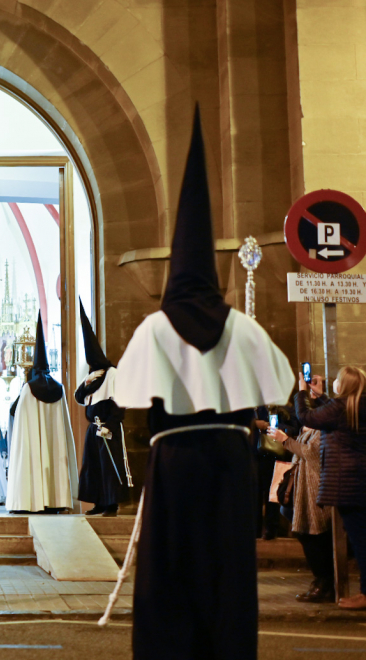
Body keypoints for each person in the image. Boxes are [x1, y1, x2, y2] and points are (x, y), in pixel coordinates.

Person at [114, 108, 294, 659]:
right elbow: (280, 386)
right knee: (227, 571)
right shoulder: (242, 327)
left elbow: (129, 400)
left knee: (170, 573)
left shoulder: (153, 328)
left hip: (174, 463)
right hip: (228, 460)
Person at [294, 365, 366, 610]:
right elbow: (336, 412)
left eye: (336, 380)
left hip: (347, 483)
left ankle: (365, 595)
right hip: (360, 481)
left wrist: (302, 392)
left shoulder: (340, 408)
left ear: (343, 385)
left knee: (360, 541)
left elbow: (307, 417)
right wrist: (321, 396)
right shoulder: (355, 406)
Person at [6, 314, 79, 514]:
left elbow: (19, 423)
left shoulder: (28, 389)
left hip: (33, 441)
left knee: (30, 455)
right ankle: (55, 500)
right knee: (54, 453)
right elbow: (63, 425)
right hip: (53, 441)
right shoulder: (59, 388)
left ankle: (31, 501)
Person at [272, 373, 333, 603]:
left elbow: (311, 453)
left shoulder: (326, 426)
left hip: (315, 488)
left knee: (313, 535)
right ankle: (322, 581)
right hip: (304, 488)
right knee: (302, 529)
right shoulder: (317, 425)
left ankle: (324, 581)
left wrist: (284, 440)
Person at [75, 300, 129, 516]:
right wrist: (87, 383)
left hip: (107, 428)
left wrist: (111, 425)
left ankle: (112, 504)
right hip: (92, 429)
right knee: (93, 467)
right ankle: (98, 502)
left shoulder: (113, 374)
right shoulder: (92, 378)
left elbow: (120, 401)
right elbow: (80, 397)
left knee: (109, 466)